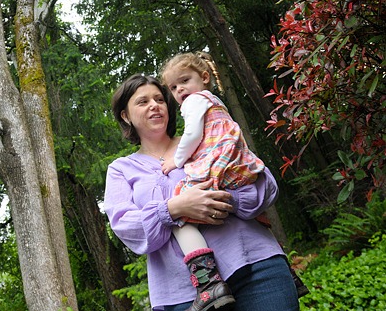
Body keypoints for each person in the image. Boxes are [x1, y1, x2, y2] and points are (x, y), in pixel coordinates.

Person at [104, 73, 299, 311]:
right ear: (125, 115)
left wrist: (225, 200)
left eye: (159, 99)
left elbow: (265, 185)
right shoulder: (121, 169)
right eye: (143, 102)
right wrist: (175, 208)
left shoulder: (206, 136)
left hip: (255, 266)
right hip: (183, 294)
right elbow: (126, 225)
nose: (154, 105)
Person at [158, 51, 270, 308]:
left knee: (179, 212)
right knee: (240, 205)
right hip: (236, 162)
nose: (180, 90)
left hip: (218, 164)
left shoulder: (194, 101)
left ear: (204, 77)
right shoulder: (214, 100)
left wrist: (177, 160)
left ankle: (207, 280)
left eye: (185, 80)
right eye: (174, 87)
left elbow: (194, 134)